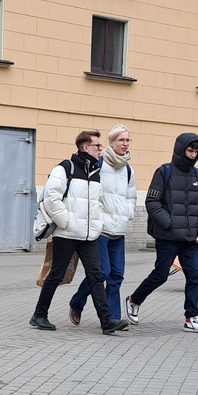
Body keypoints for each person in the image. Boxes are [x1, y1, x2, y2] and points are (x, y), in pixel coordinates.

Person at [30, 130, 128, 335]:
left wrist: (97, 224)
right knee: (56, 274)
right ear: (85, 147)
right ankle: (39, 315)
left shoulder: (95, 173)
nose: (101, 149)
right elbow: (51, 198)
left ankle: (106, 320)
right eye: (97, 146)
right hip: (66, 233)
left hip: (89, 235)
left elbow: (97, 203)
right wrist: (66, 221)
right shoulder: (65, 168)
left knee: (97, 275)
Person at [123, 133, 198, 334]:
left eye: (196, 151)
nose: (193, 155)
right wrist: (169, 223)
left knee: (194, 277)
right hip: (167, 237)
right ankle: (133, 300)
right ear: (181, 149)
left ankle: (191, 317)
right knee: (160, 275)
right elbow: (152, 202)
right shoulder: (164, 172)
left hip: (190, 238)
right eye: (190, 150)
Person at [69, 123, 135, 325]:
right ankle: (77, 302)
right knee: (102, 272)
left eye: (127, 140)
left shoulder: (129, 169)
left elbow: (131, 196)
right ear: (111, 142)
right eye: (121, 140)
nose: (125, 144)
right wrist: (97, 216)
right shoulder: (100, 164)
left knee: (117, 276)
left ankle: (114, 318)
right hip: (101, 229)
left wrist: (128, 212)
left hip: (119, 229)